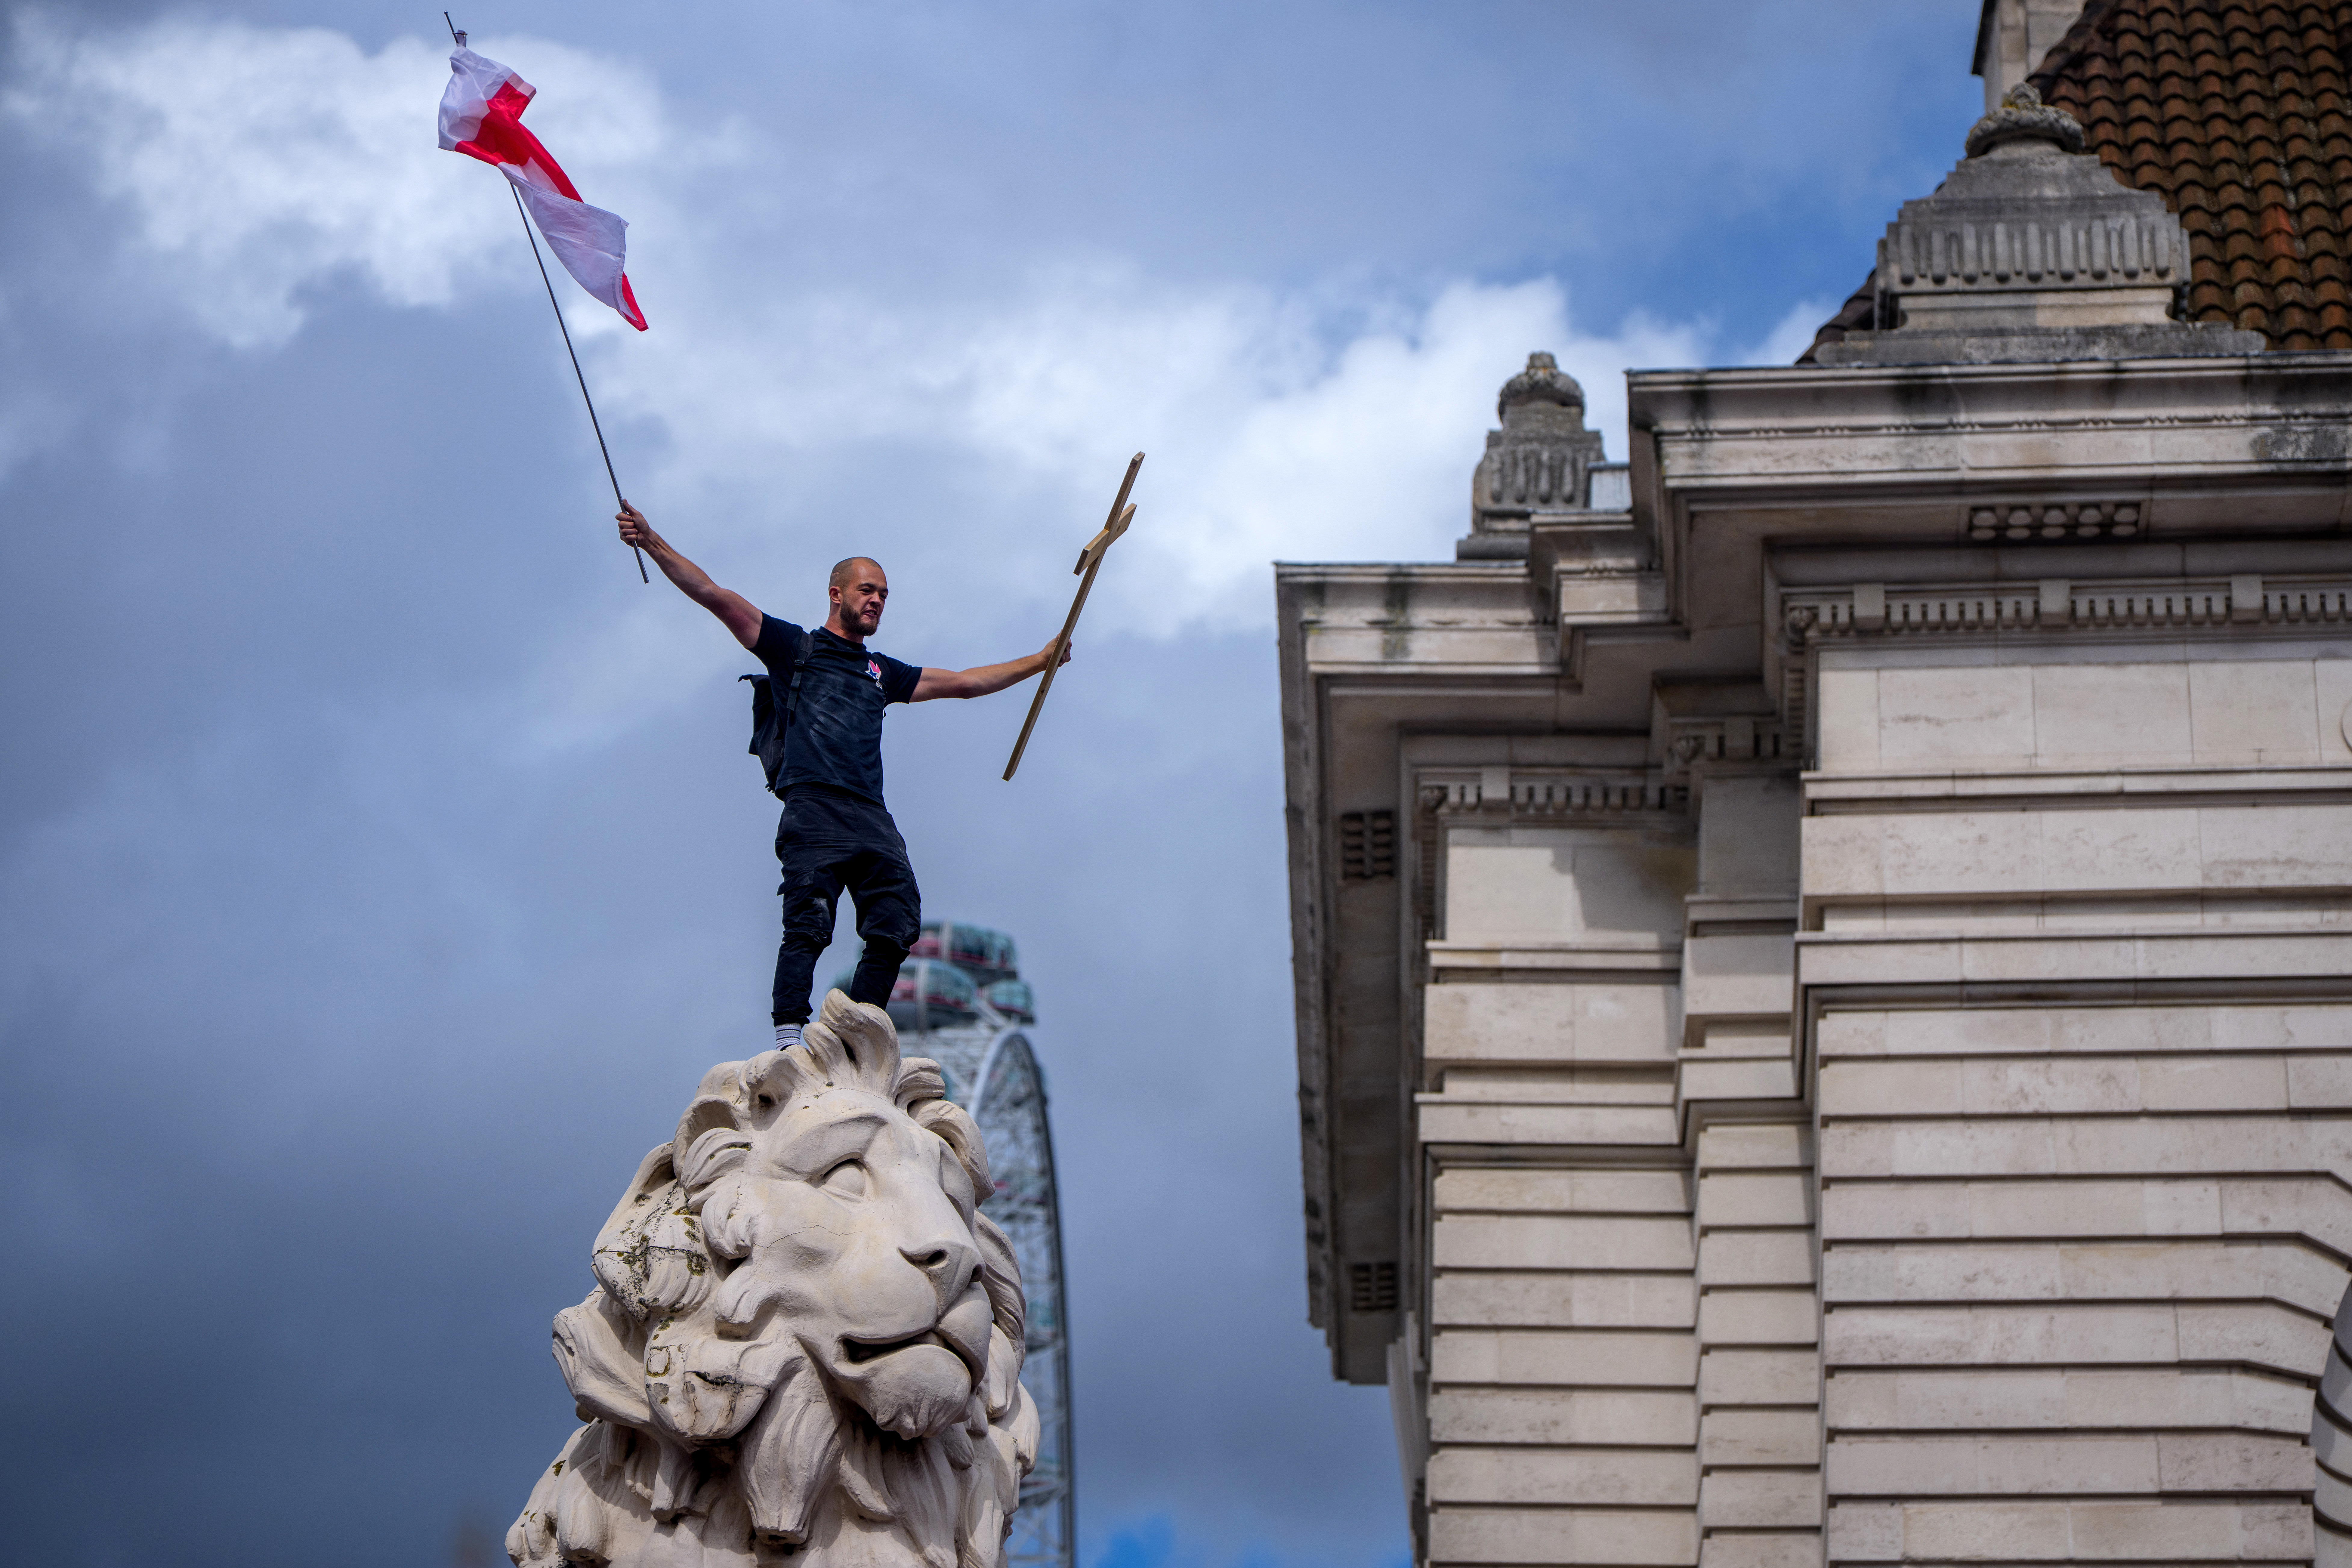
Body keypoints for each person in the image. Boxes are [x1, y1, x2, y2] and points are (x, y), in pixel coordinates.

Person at [616, 503, 1067, 1048]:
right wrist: (652, 540)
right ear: (837, 594)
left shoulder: (882, 672)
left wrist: (1040, 659)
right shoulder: (794, 649)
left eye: (883, 594)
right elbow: (713, 594)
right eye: (867, 590)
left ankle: (855, 1035)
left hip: (870, 815)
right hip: (814, 808)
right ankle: (789, 1036)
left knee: (898, 923)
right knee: (809, 921)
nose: (876, 600)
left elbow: (967, 683)